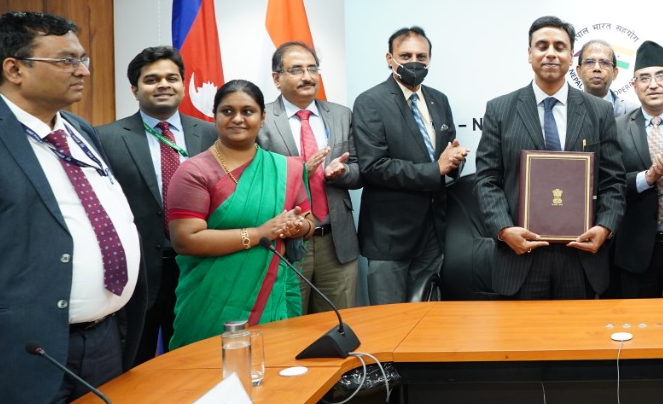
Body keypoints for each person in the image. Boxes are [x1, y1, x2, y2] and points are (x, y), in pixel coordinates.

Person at [0, 11, 144, 404]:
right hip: (25, 350)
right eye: (65, 61)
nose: (82, 71)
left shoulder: (77, 129)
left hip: (103, 339)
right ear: (15, 68)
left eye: (84, 59)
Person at [474, 16, 625, 299]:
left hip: (581, 259)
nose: (551, 53)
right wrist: (504, 230)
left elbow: (613, 181)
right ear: (529, 54)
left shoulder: (598, 112)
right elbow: (487, 180)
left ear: (571, 57)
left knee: (580, 341)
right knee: (521, 342)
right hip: (520, 257)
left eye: (560, 46)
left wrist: (605, 227)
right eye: (542, 46)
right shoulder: (500, 110)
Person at [165, 80, 312, 349]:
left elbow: (309, 222)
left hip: (271, 294)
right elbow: (185, 240)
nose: (238, 119)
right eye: (227, 111)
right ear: (215, 115)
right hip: (210, 299)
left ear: (262, 117)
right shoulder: (194, 172)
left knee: (275, 376)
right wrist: (259, 234)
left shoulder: (285, 168)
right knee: (209, 375)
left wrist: (296, 226)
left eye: (247, 111)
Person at [97, 46, 215, 362]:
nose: (163, 84)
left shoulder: (210, 134)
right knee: (136, 361)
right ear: (135, 89)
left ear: (182, 83)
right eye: (151, 79)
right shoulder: (105, 138)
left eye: (171, 78)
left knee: (196, 359)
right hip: (139, 273)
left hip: (198, 266)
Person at [353, 26, 467, 304]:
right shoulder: (370, 102)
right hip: (390, 235)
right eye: (405, 55)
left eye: (421, 56)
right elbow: (373, 167)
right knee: (389, 323)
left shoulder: (439, 100)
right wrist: (435, 169)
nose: (414, 62)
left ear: (430, 59)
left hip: (434, 231)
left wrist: (453, 162)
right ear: (389, 59)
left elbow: (444, 154)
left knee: (427, 320)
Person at [257, 41, 362, 313]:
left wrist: (340, 173)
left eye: (312, 68)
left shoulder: (341, 114)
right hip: (286, 240)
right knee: (290, 327)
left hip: (335, 241)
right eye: (296, 70)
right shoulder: (261, 119)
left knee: (339, 325)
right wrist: (300, 173)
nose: (307, 76)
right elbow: (253, 181)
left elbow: (361, 170)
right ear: (276, 78)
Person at [613, 41, 663, 298]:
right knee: (639, 328)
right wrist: (648, 177)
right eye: (644, 78)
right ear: (634, 85)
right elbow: (608, 185)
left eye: (661, 76)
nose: (654, 84)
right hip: (636, 250)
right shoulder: (616, 128)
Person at [576, 39, 636, 117]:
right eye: (589, 62)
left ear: (614, 73)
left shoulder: (634, 112)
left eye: (604, 63)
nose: (597, 68)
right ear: (579, 71)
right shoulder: (565, 110)